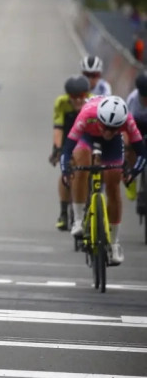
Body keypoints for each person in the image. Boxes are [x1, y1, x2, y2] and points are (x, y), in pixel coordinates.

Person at [61, 95, 146, 265]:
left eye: (113, 128)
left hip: (113, 145)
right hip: (87, 136)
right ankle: (78, 220)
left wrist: (133, 172)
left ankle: (114, 244)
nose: (107, 131)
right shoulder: (87, 114)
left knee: (114, 186)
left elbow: (142, 153)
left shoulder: (127, 120)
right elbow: (67, 148)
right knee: (81, 161)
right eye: (105, 126)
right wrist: (66, 170)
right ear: (98, 118)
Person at [49, 75, 92, 231]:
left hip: (89, 136)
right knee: (66, 170)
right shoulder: (61, 103)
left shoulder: (95, 102)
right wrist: (57, 149)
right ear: (68, 96)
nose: (79, 101)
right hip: (70, 136)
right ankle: (64, 213)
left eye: (82, 96)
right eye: (74, 97)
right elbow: (58, 128)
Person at [123, 71, 147, 201]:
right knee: (130, 148)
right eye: (144, 97)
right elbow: (126, 127)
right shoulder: (132, 100)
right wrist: (127, 145)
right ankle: (132, 181)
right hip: (135, 125)